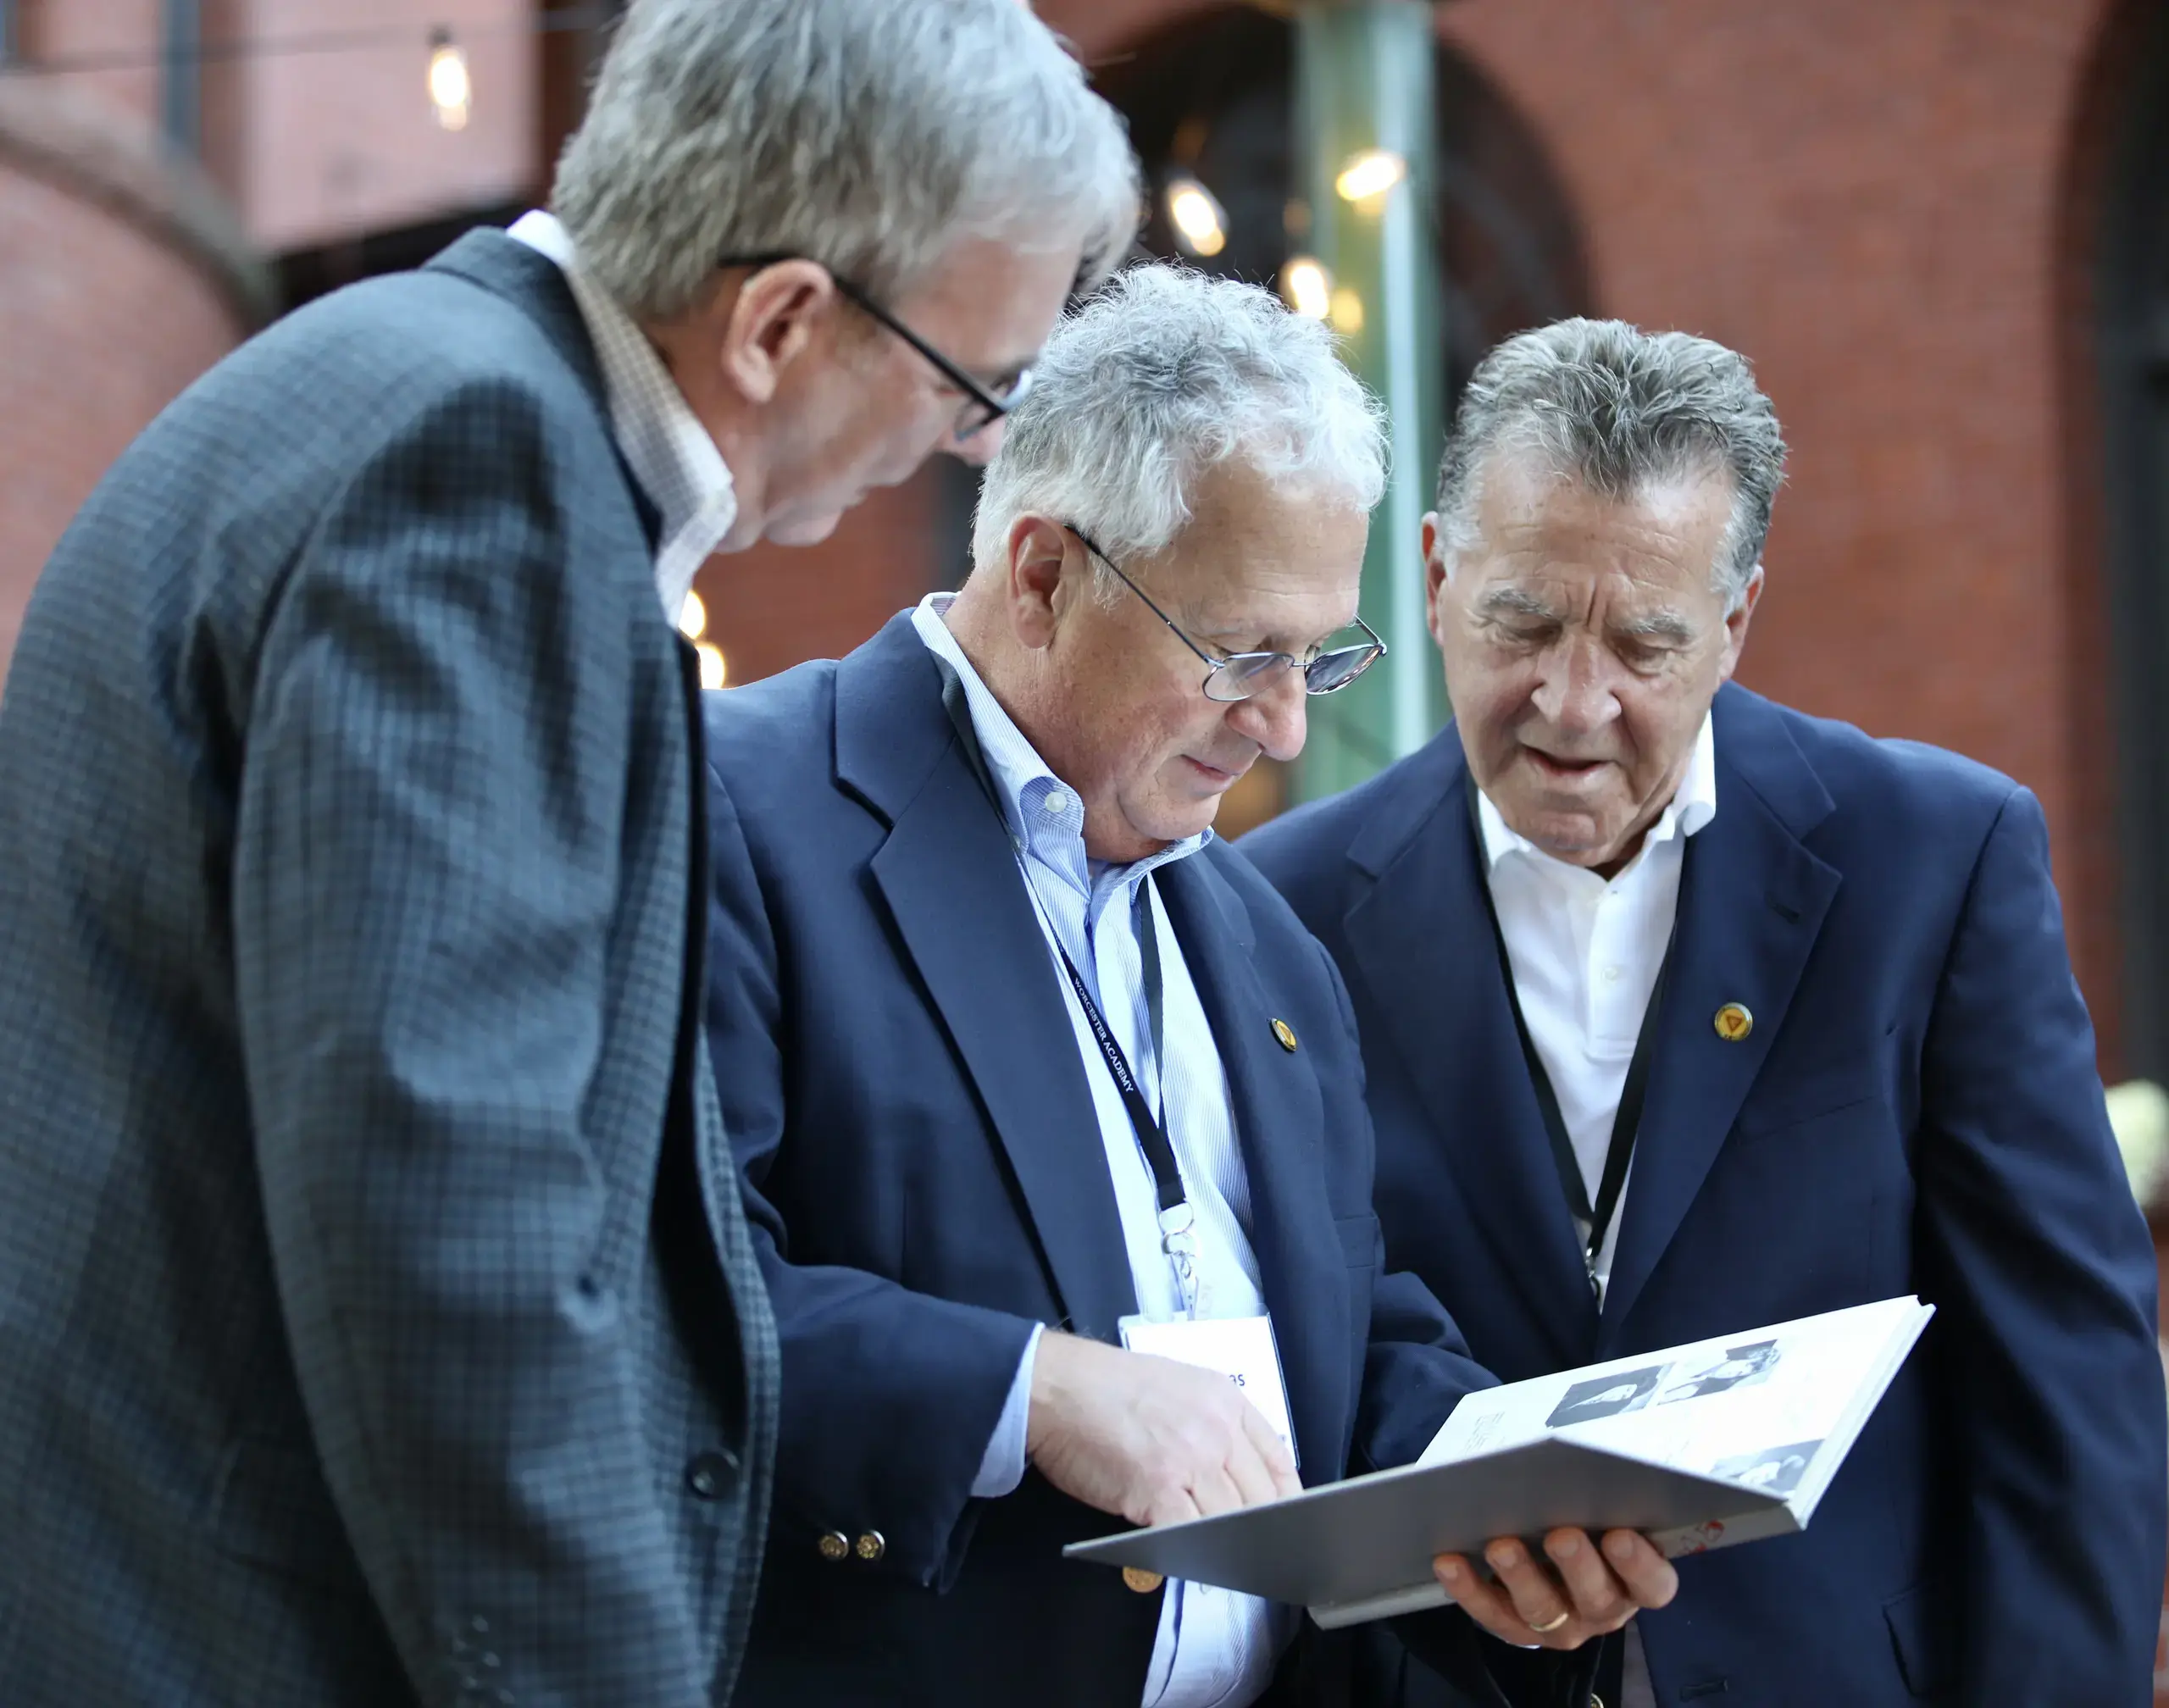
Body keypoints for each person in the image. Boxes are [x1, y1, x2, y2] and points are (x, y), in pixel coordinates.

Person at [0, 3, 1136, 1703]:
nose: (966, 448)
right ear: (779, 322)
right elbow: (453, 1227)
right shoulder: (478, 469)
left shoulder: (407, 387)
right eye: (973, 388)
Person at [697, 265, 1676, 1708]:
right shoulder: (738, 811)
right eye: (1238, 653)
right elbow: (651, 1301)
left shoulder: (1264, 934)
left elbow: (1338, 1331)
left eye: (1317, 658)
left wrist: (1502, 1499)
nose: (1282, 723)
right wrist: (1029, 1391)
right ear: (1043, 576)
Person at [1243, 318, 2169, 1706]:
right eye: (1525, 623)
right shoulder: (1274, 909)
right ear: (1435, 576)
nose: (1573, 700)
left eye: (1645, 644)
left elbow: (2070, 1387)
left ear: (1734, 626)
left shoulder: (1936, 858)